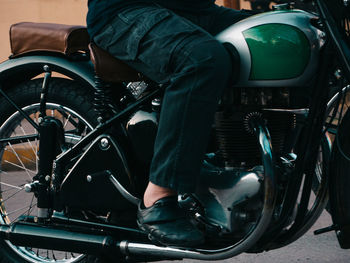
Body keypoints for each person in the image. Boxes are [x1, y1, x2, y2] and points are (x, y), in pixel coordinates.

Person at [87, 0, 251, 247]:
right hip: (128, 9)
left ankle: (258, 169)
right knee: (201, 59)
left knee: (283, 35)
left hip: (196, 10)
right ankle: (159, 193)